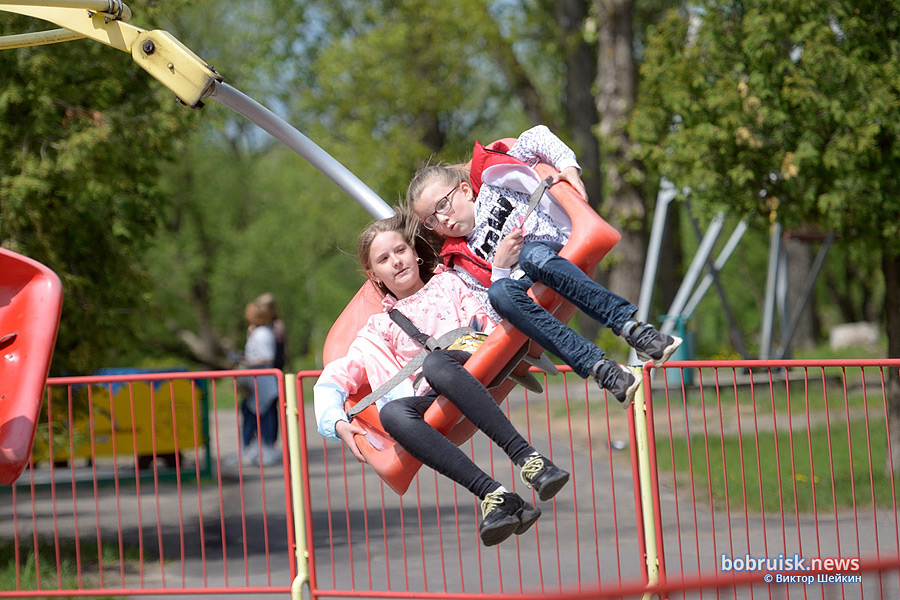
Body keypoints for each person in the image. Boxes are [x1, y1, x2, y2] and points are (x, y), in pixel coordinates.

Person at [313, 211, 569, 547]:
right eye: (384, 259)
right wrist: (335, 422)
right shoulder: (379, 328)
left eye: (400, 251)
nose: (396, 262)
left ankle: (529, 459)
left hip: (473, 360)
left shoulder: (448, 282)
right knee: (393, 414)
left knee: (436, 362)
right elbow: (337, 376)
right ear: (373, 273)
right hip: (433, 390)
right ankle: (496, 497)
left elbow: (487, 320)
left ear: (415, 252)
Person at [406, 125, 682, 407]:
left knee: (530, 255)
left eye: (443, 205)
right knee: (498, 292)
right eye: (431, 220)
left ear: (464, 190)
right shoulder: (462, 260)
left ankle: (635, 330)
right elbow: (492, 313)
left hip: (546, 252)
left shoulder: (493, 183)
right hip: (519, 286)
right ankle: (605, 371)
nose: (442, 220)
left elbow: (536, 136)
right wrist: (499, 268)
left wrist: (569, 166)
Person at [237, 299, 281, 467]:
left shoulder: (262, 333)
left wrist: (246, 362)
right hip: (258, 382)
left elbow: (267, 357)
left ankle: (265, 448)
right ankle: (254, 448)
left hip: (262, 382)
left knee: (262, 415)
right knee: (254, 413)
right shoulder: (260, 331)